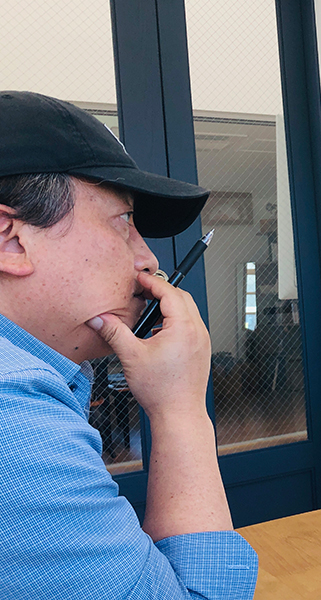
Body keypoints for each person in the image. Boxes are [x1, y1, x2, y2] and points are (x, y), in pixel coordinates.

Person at [0, 91, 258, 598]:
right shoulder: (14, 417)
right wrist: (180, 408)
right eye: (124, 222)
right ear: (11, 240)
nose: (148, 261)